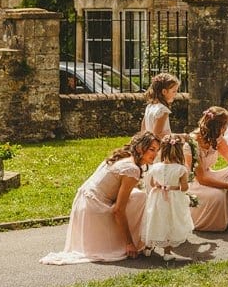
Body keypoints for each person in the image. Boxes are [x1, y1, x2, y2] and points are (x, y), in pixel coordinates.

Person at [40, 132, 160, 264]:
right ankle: (132, 241)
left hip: (82, 204)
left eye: (157, 150)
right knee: (141, 197)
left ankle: (133, 238)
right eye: (151, 149)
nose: (155, 154)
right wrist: (129, 243)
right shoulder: (132, 169)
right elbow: (118, 210)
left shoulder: (122, 156)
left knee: (138, 195)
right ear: (139, 148)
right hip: (94, 210)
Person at [189, 106, 228, 231]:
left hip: (210, 174)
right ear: (216, 126)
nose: (225, 130)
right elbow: (201, 179)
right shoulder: (192, 142)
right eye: (224, 127)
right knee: (217, 196)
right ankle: (215, 223)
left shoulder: (217, 138)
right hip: (196, 182)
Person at [141, 134, 194, 261]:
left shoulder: (155, 167)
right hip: (173, 200)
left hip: (157, 198)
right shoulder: (181, 169)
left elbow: (152, 184)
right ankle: (167, 252)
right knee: (171, 221)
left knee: (156, 219)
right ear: (180, 152)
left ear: (162, 150)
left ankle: (148, 248)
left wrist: (161, 186)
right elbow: (184, 188)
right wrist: (173, 187)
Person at [141, 73, 180, 139]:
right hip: (159, 144)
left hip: (149, 143)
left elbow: (143, 129)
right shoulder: (162, 110)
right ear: (164, 92)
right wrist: (177, 137)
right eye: (174, 91)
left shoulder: (149, 107)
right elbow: (157, 134)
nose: (176, 94)